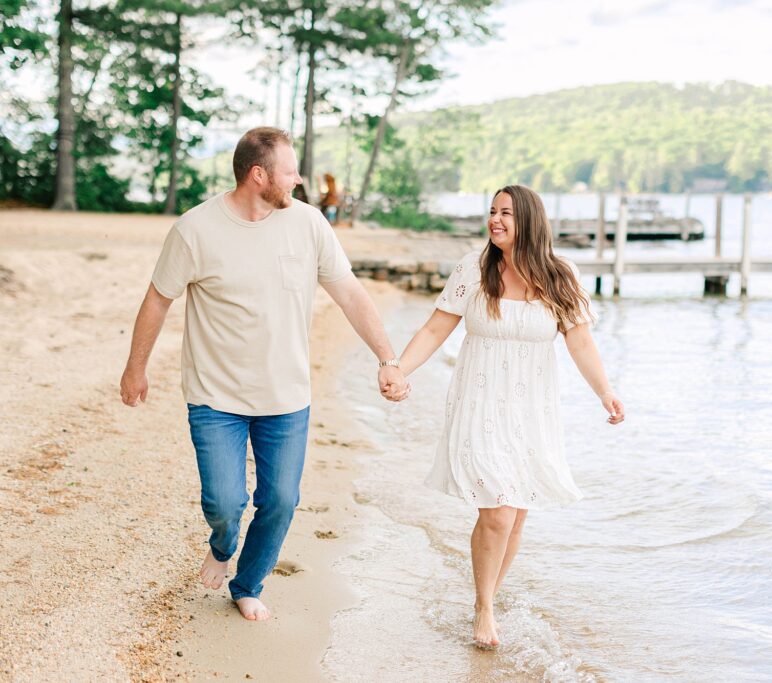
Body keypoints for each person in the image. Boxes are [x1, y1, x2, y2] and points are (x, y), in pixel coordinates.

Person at [118, 127, 410, 622]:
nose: (299, 180)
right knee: (225, 503)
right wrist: (135, 369)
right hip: (216, 397)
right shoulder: (195, 230)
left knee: (280, 500)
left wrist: (388, 358)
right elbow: (157, 299)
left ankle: (247, 583)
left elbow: (351, 294)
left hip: (287, 396)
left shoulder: (310, 224)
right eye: (290, 171)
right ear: (259, 175)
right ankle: (222, 542)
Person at [397, 184, 625, 648]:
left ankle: (487, 600)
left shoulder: (562, 275)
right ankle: (483, 608)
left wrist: (605, 392)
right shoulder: (475, 269)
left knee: (516, 515)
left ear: (530, 221)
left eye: (507, 213)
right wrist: (398, 369)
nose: (496, 220)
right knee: (498, 511)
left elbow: (580, 341)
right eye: (492, 211)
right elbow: (437, 326)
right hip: (479, 404)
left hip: (532, 412)